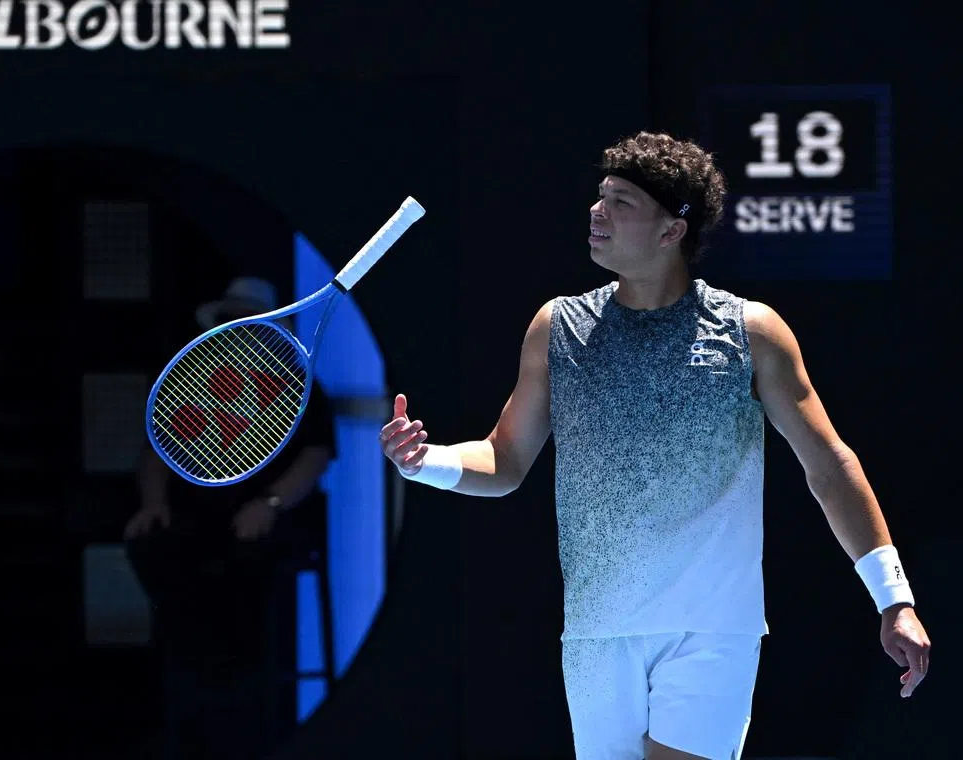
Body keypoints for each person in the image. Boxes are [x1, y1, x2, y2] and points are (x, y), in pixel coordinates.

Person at [378, 132, 932, 760]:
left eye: (621, 202)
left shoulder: (752, 333)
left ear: (673, 230)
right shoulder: (556, 328)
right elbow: (504, 461)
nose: (597, 212)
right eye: (599, 197)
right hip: (595, 633)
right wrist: (428, 463)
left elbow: (830, 465)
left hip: (711, 626)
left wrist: (894, 598)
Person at [126, 276, 337, 760]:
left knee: (248, 567)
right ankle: (189, 705)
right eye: (229, 321)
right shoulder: (190, 381)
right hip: (193, 523)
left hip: (267, 524)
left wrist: (270, 505)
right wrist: (153, 503)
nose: (237, 330)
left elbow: (315, 457)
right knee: (153, 548)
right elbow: (156, 452)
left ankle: (241, 709)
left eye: (247, 321)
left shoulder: (298, 383)